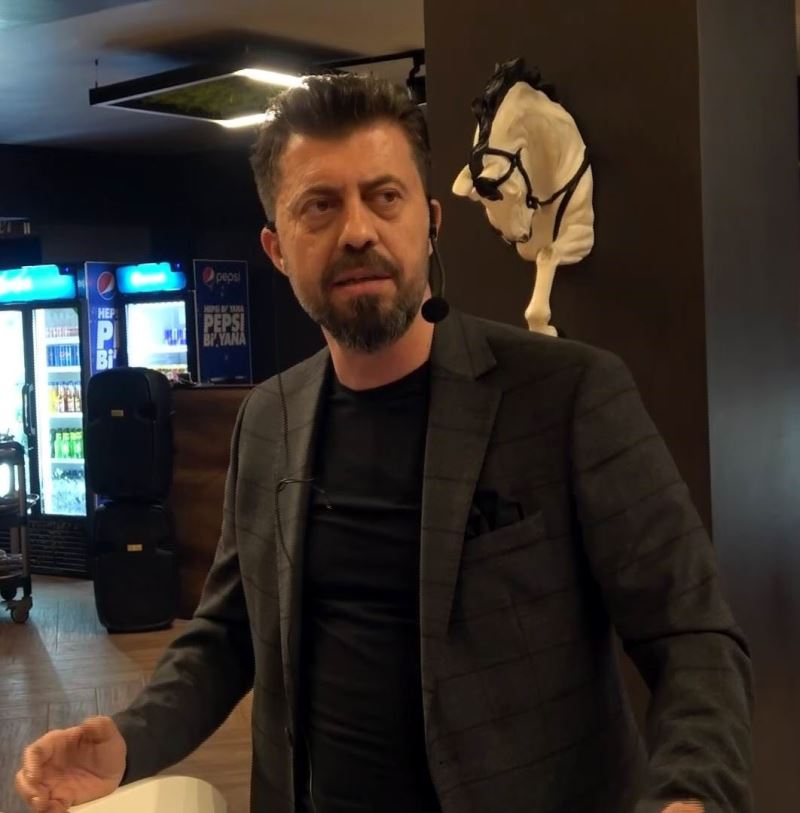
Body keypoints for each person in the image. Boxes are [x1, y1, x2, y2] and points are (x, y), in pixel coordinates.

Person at [16, 73, 753, 813]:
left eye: (385, 196)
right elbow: (228, 633)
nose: (358, 230)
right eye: (320, 205)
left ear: (430, 222)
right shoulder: (268, 418)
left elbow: (692, 634)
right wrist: (130, 739)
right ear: (276, 248)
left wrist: (692, 792)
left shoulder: (567, 396)